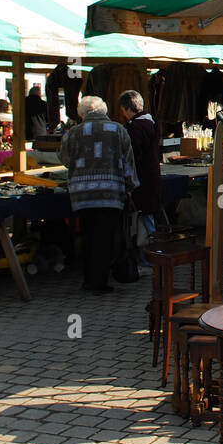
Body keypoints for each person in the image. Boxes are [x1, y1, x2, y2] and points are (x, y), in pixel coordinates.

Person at [59, 96, 138, 293]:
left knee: (88, 235)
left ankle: (89, 279)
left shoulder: (73, 133)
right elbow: (128, 162)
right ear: (104, 111)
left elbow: (65, 159)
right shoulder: (119, 131)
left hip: (82, 194)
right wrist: (130, 186)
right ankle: (99, 282)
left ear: (83, 113)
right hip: (110, 192)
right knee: (105, 237)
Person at [119, 90, 163, 248]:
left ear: (127, 108)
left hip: (142, 180)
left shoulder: (135, 128)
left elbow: (132, 156)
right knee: (147, 219)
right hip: (151, 177)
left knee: (145, 223)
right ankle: (150, 258)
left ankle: (148, 260)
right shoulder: (152, 122)